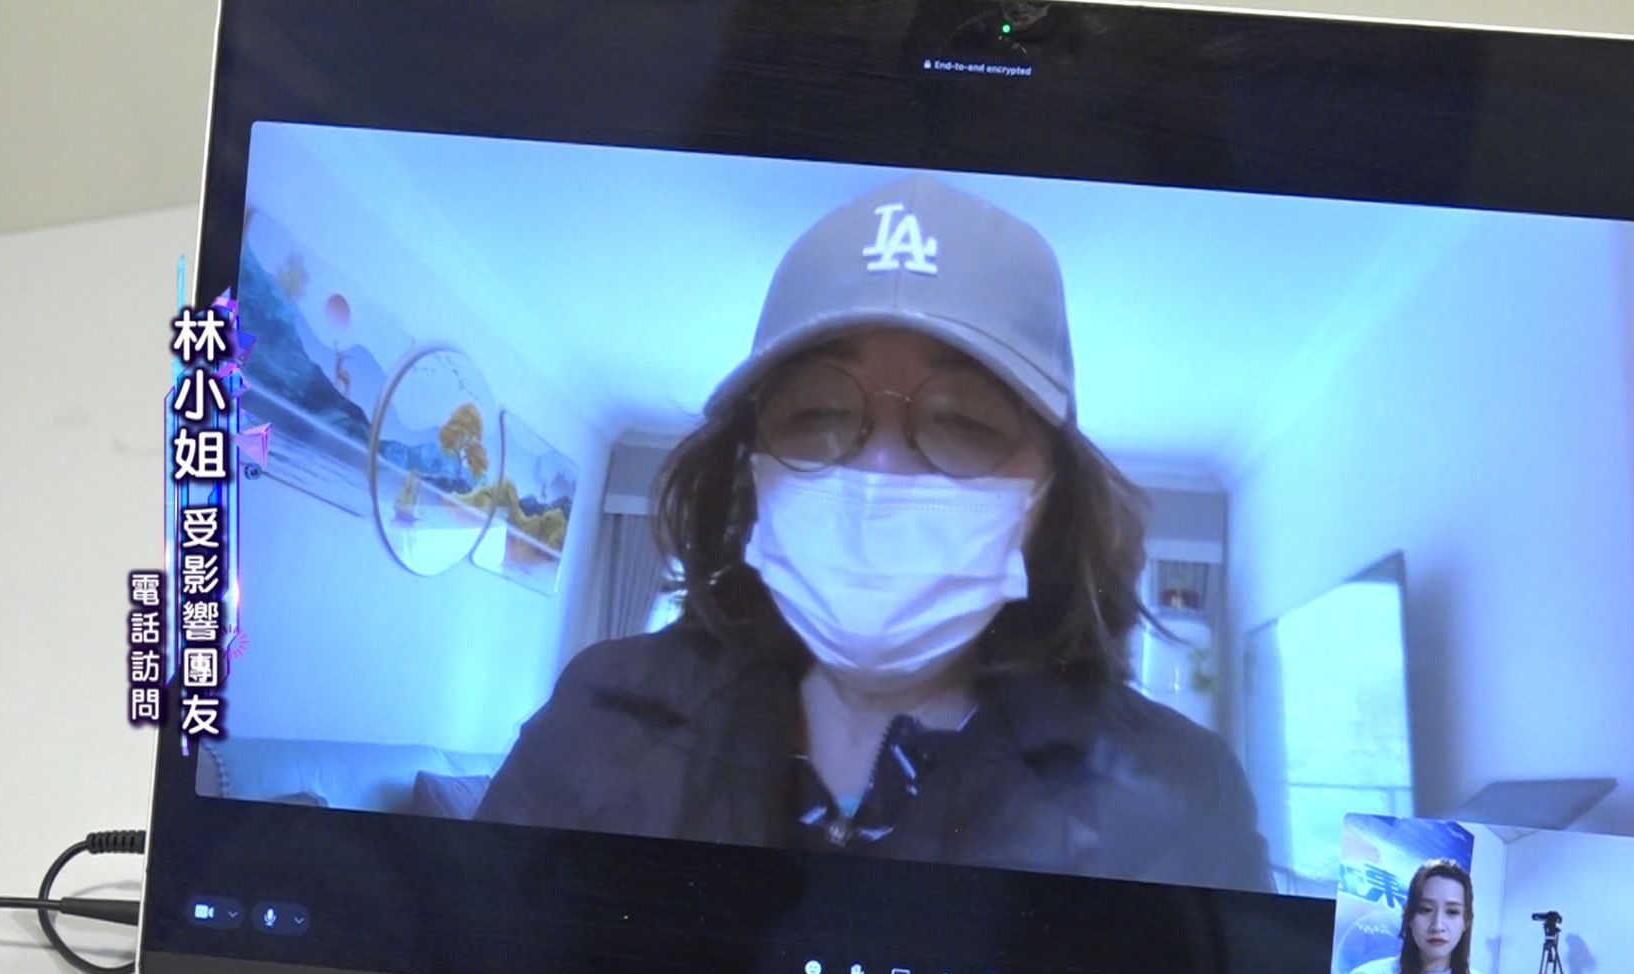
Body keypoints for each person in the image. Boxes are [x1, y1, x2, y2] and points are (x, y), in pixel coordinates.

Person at [476, 174, 1272, 892]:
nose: (882, 471)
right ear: (751, 466)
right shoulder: (602, 718)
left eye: (965, 421)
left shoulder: (1179, 801)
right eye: (816, 412)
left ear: (1048, 492)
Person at [1340, 859, 1501, 974]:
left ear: (1466, 922)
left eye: (1452, 912)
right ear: (1409, 917)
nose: (1438, 925)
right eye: (1425, 909)